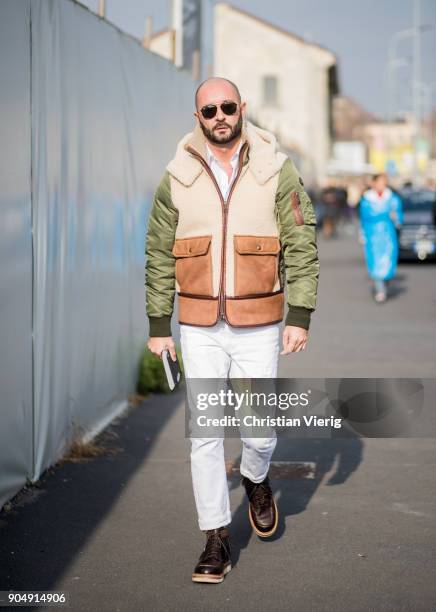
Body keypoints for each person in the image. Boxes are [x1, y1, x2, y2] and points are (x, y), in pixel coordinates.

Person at [145, 77, 319, 583]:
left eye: (226, 106)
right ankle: (215, 537)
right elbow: (158, 252)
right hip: (197, 324)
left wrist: (300, 315)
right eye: (207, 110)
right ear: (196, 117)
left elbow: (301, 241)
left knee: (259, 430)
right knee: (205, 433)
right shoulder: (176, 174)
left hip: (259, 322)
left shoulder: (276, 168)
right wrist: (160, 325)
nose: (218, 116)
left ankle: (255, 475)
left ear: (242, 108)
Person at [359, 173, 403, 303]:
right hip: (372, 234)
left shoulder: (392, 198)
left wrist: (396, 218)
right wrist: (362, 233)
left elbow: (398, 214)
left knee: (389, 260)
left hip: (388, 233)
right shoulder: (367, 199)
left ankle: (386, 281)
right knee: (375, 261)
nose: (381, 185)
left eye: (384, 182)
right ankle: (380, 289)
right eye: (379, 182)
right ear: (373, 183)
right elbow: (364, 218)